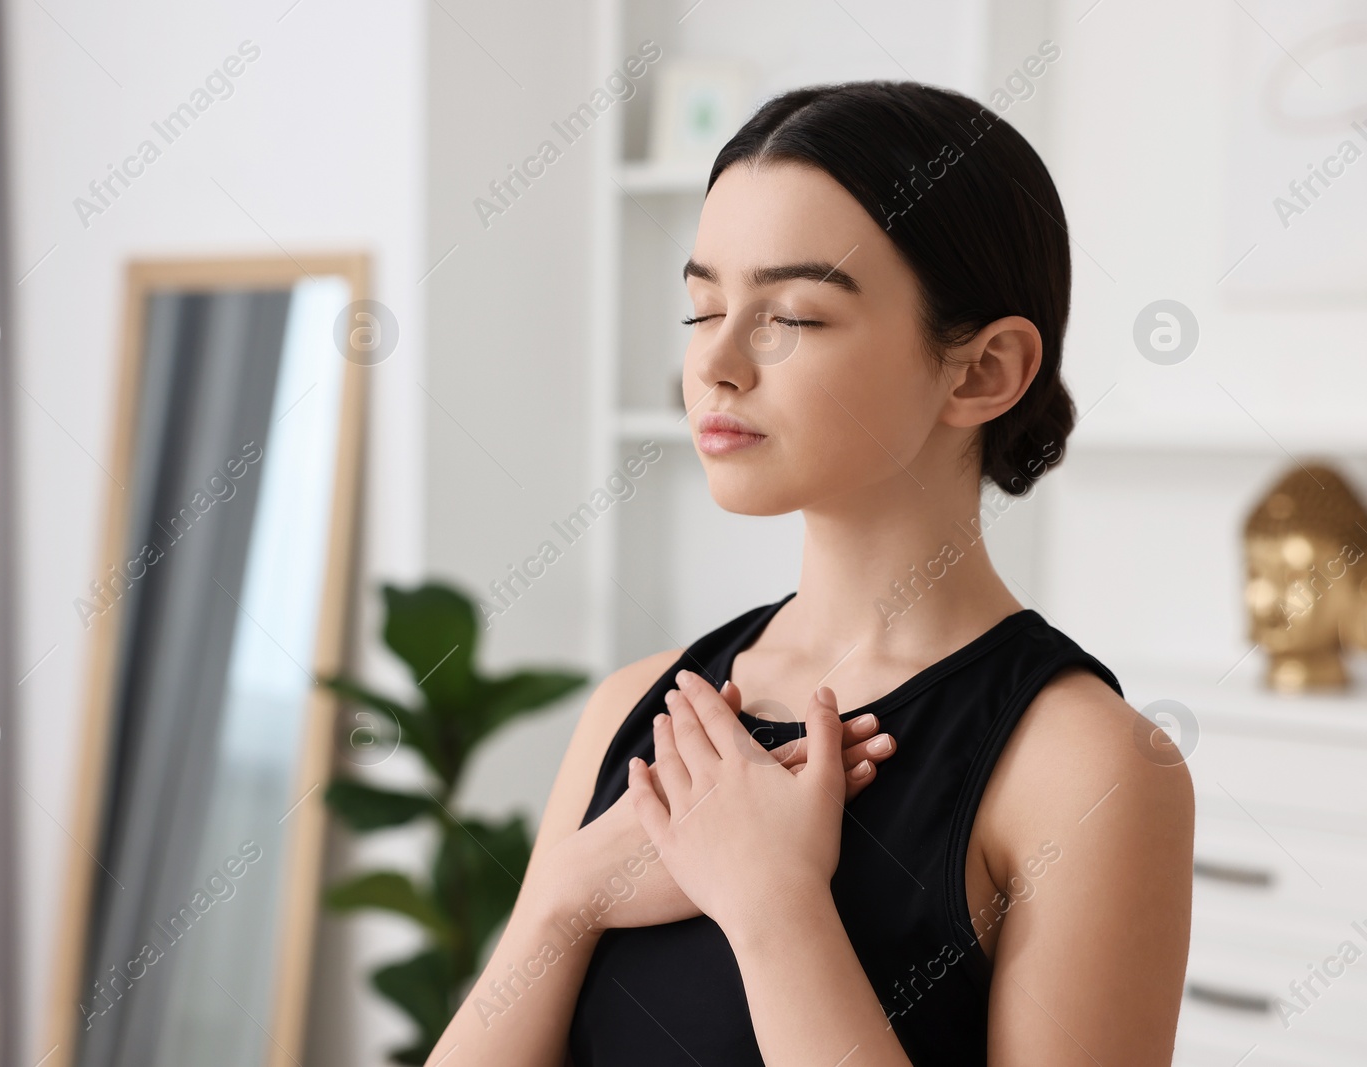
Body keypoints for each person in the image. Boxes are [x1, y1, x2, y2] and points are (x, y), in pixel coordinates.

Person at [426, 80, 1194, 1066]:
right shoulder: (637, 706)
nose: (718, 364)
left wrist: (774, 906)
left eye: (789, 315)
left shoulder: (1087, 769)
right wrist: (566, 901)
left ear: (982, 370)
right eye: (702, 309)